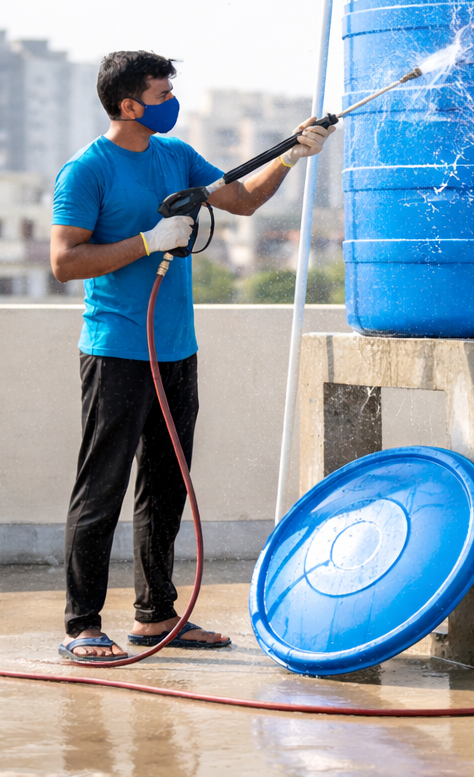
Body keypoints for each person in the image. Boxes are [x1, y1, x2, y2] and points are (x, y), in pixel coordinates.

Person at [49, 50, 331, 660]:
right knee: (102, 487)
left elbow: (244, 199)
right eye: (160, 93)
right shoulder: (86, 171)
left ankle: (155, 617)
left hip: (177, 350)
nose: (170, 102)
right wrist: (146, 241)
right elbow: (65, 263)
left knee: (165, 484)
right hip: (118, 350)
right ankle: (83, 625)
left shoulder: (176, 157)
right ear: (128, 104)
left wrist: (290, 155)